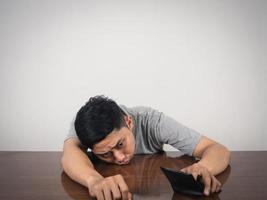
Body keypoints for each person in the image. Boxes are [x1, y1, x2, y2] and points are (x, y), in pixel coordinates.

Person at [61, 95, 230, 200]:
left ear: (128, 122)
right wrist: (94, 181)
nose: (119, 157)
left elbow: (216, 148)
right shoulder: (84, 126)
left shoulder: (152, 121)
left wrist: (202, 167)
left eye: (120, 144)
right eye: (105, 154)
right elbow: (70, 154)